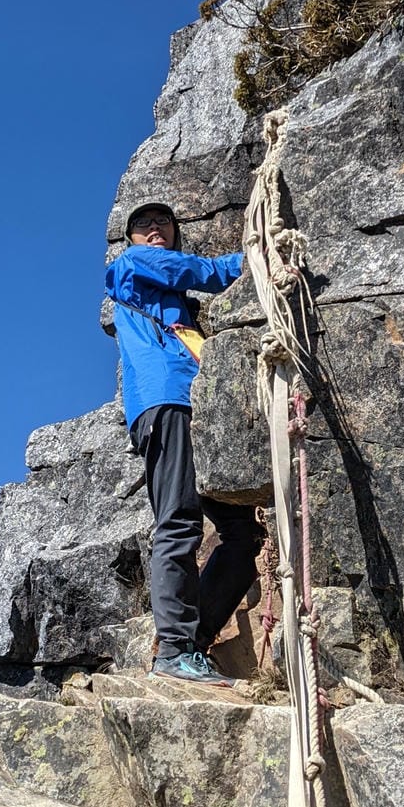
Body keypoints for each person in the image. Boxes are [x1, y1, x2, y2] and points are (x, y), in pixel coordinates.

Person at [106, 201, 264, 687]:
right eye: (143, 224)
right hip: (165, 399)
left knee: (243, 534)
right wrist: (253, 256)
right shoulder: (132, 264)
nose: (154, 228)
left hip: (192, 402)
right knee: (178, 521)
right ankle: (174, 650)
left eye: (163, 223)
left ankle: (193, 645)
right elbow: (196, 271)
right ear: (131, 239)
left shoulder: (173, 304)